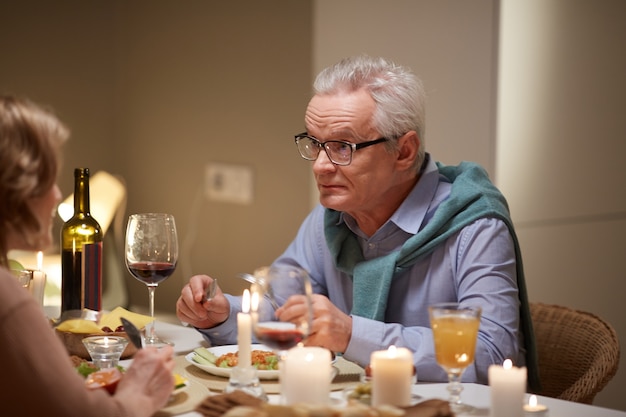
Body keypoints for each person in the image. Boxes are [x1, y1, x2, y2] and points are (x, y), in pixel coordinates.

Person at [176, 55, 538, 389]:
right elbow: (285, 309)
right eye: (315, 144)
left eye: (342, 147)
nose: (320, 165)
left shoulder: (474, 226)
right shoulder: (331, 217)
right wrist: (223, 315)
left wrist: (352, 335)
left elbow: (493, 355)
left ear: (405, 151)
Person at [0, 95, 176, 416]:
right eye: (47, 180)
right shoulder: (8, 299)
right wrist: (138, 391)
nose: (56, 195)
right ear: (14, 189)